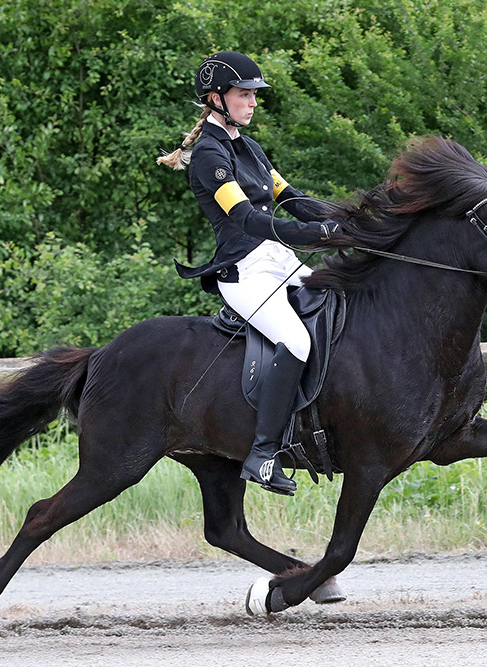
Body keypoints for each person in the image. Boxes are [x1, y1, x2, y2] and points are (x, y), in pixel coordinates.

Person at [159, 51, 336, 496]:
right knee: (294, 340)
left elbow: (289, 196)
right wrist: (311, 233)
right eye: (245, 94)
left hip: (278, 260)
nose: (253, 102)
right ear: (217, 98)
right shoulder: (208, 155)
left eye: (255, 95)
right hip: (245, 269)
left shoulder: (249, 147)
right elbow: (245, 218)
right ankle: (262, 455)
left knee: (338, 306)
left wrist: (349, 220)